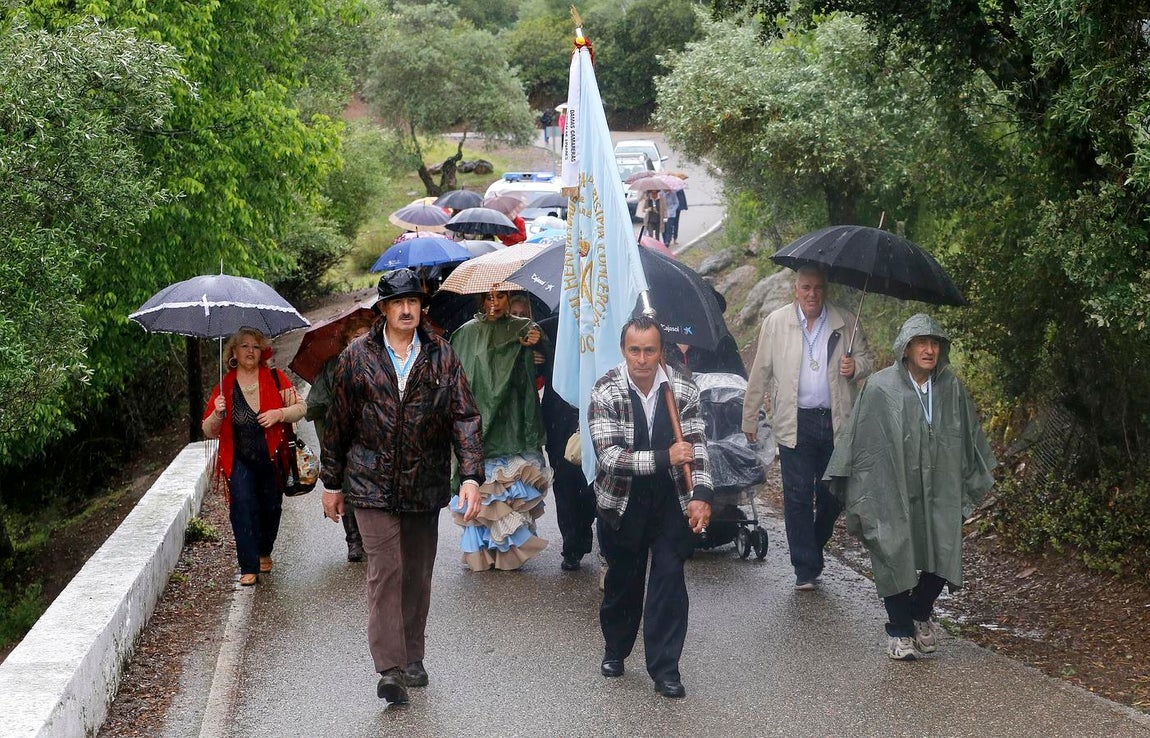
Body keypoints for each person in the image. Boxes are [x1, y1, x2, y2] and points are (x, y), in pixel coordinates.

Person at [320, 268, 485, 705]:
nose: (407, 309)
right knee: (385, 571)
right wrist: (332, 483)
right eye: (398, 302)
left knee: (417, 574)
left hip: (423, 482)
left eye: (414, 301)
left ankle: (413, 656)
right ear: (384, 309)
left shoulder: (441, 356)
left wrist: (470, 475)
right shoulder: (357, 356)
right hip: (369, 482)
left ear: (421, 307)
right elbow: (337, 425)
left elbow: (465, 417)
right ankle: (390, 668)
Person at [824, 314, 996, 660]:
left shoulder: (950, 388)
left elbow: (969, 438)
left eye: (935, 343)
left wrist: (968, 474)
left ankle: (919, 612)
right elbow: (863, 440)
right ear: (906, 347)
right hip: (891, 485)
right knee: (892, 547)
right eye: (922, 343)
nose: (929, 350)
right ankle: (900, 631)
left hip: (940, 485)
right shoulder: (880, 387)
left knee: (943, 545)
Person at [589, 316, 713, 699]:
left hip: (670, 502)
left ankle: (665, 668)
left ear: (661, 352)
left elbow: (697, 448)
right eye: (634, 350)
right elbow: (609, 458)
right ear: (624, 351)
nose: (642, 359)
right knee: (624, 582)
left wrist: (702, 495)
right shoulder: (606, 391)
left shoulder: (683, 388)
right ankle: (616, 648)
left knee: (669, 581)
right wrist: (665, 456)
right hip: (622, 503)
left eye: (650, 350)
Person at [741, 265, 873, 590]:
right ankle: (805, 568)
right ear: (795, 290)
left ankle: (812, 543)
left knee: (833, 495)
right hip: (794, 419)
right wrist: (749, 415)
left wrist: (856, 366)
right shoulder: (777, 323)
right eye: (805, 288)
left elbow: (869, 359)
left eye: (818, 288)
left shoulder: (844, 321)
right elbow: (760, 371)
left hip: (835, 422)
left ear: (825, 290)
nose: (812, 294)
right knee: (798, 496)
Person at [448, 289, 551, 570]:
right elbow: (454, 377)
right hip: (478, 422)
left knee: (512, 492)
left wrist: (539, 344)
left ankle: (509, 552)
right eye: (489, 297)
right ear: (480, 300)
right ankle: (482, 552)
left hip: (515, 421)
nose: (495, 304)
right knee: (482, 490)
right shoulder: (465, 334)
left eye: (501, 296)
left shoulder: (525, 328)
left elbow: (550, 362)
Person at [202, 328, 306, 586]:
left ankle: (263, 550)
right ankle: (248, 566)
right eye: (245, 346)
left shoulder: (275, 377)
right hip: (239, 459)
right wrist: (217, 413)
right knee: (242, 507)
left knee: (271, 507)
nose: (250, 351)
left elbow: (301, 407)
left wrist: (279, 415)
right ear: (234, 352)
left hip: (272, 456)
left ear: (262, 352)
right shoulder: (224, 386)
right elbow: (207, 430)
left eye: (255, 347)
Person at [306, 314, 375, 562]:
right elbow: (313, 405)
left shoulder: (383, 362)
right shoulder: (332, 366)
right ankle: (354, 539)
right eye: (356, 337)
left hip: (373, 439)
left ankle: (374, 537)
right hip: (342, 439)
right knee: (346, 485)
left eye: (367, 335)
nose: (362, 341)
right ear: (346, 341)